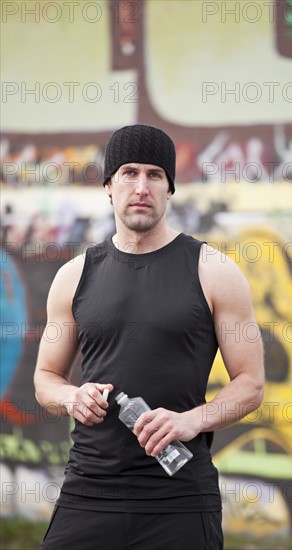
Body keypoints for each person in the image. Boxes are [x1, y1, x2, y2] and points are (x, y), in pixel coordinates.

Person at [34, 124, 264, 550]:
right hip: (89, 494)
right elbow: (46, 377)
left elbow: (251, 384)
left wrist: (190, 420)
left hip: (179, 499)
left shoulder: (212, 270)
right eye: (129, 172)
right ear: (108, 184)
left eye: (155, 175)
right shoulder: (75, 275)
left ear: (170, 188)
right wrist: (71, 398)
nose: (142, 187)